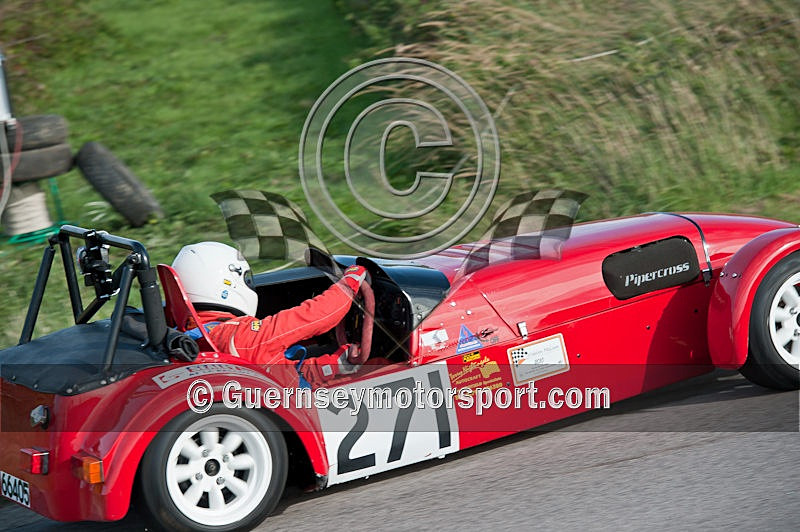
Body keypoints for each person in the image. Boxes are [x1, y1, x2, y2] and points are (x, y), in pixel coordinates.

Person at [171, 241, 368, 375]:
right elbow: (317, 315)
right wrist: (350, 282)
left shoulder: (186, 333)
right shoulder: (243, 337)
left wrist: (330, 362)